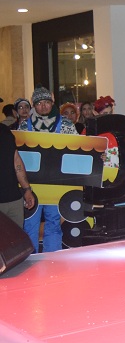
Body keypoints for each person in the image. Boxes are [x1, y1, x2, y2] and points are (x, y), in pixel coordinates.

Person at [18, 87, 77, 252]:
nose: (43, 106)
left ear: (52, 103)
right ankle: (30, 261)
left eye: (46, 102)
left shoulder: (66, 124)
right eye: (39, 103)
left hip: (56, 185)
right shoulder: (23, 126)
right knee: (30, 224)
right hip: (31, 186)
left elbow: (77, 149)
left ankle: (53, 260)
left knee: (53, 223)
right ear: (33, 106)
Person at [0, 123, 36, 229]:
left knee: (16, 242)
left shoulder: (4, 130)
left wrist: (27, 189)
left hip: (14, 199)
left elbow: (16, 161)